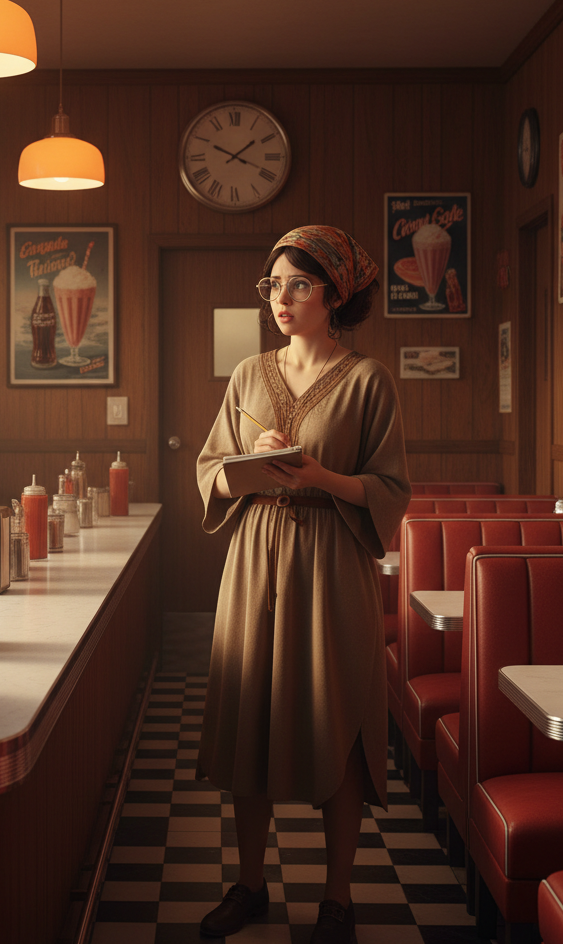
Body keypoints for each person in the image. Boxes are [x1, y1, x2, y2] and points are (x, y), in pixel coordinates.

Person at [195, 226, 411, 942]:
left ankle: (337, 897)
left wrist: (319, 476)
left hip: (332, 559)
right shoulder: (247, 374)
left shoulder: (368, 379)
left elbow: (389, 489)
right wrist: (243, 467)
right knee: (248, 710)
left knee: (337, 715)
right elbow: (209, 468)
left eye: (297, 285)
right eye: (272, 285)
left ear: (335, 294)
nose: (279, 299)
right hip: (255, 553)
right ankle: (250, 884)